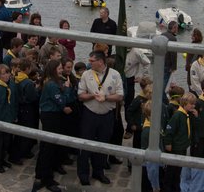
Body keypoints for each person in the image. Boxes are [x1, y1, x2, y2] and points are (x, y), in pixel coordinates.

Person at [77, 50, 124, 186]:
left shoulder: (115, 75)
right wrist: (93, 96)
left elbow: (120, 95)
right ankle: (83, 174)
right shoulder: (86, 74)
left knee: (103, 144)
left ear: (101, 62)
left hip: (107, 116)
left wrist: (106, 98)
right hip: (89, 115)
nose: (89, 63)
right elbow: (81, 96)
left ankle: (99, 172)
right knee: (85, 144)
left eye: (92, 61)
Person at [33, 59, 72, 192]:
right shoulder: (51, 85)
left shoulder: (51, 82)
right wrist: (66, 89)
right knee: (48, 148)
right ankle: (45, 178)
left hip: (50, 115)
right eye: (60, 68)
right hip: (51, 117)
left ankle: (41, 174)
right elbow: (61, 101)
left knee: (47, 147)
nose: (62, 70)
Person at [164, 92, 197, 192]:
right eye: (191, 104)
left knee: (178, 170)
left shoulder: (188, 114)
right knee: (171, 171)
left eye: (194, 104)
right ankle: (168, 188)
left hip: (183, 147)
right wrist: (168, 143)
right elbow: (169, 130)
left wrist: (195, 116)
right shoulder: (177, 116)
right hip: (176, 148)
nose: (193, 106)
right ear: (184, 103)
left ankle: (176, 187)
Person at [0, 64, 18, 173]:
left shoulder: (12, 85)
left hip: (9, 117)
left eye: (7, 73)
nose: (6, 75)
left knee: (7, 140)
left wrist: (14, 115)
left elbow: (14, 101)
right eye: (3, 74)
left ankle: (2, 159)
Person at [123, 44, 151, 139]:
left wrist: (144, 77)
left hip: (129, 79)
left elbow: (147, 62)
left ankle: (129, 129)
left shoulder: (136, 52)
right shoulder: (118, 48)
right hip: (118, 77)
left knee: (129, 105)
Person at [14, 58, 39, 161]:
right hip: (27, 108)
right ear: (28, 68)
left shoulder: (16, 78)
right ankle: (21, 153)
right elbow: (32, 97)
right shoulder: (28, 82)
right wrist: (36, 88)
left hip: (19, 107)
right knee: (26, 130)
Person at [161, 20, 179, 93]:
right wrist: (174, 67)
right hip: (167, 65)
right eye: (177, 28)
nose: (177, 29)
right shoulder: (173, 38)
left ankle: (163, 99)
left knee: (161, 82)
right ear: (174, 28)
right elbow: (173, 54)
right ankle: (162, 101)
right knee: (165, 84)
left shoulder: (162, 35)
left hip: (161, 62)